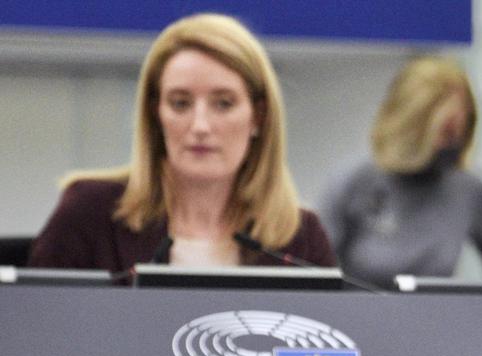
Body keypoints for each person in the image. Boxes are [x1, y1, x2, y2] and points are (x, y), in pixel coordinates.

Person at [28, 13, 334, 274]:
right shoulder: (89, 213)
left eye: (223, 104)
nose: (200, 126)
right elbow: (33, 331)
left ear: (258, 116)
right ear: (155, 113)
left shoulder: (299, 237)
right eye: (180, 103)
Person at [319, 56, 482, 292]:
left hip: (434, 321)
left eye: (460, 130)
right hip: (356, 321)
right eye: (446, 132)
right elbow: (316, 272)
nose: (451, 143)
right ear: (412, 126)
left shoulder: (467, 189)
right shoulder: (353, 181)